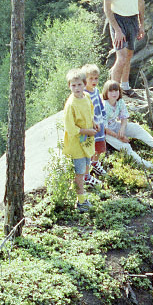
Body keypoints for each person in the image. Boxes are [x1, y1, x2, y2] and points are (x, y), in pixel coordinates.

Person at [101, 79, 153, 169]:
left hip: (115, 125)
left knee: (136, 128)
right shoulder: (104, 106)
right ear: (106, 92)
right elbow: (104, 129)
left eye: (116, 91)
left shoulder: (119, 102)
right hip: (105, 133)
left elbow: (124, 117)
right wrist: (120, 137)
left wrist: (122, 129)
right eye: (111, 91)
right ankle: (145, 165)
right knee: (126, 146)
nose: (114, 93)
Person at [104, 0, 145, 99]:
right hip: (118, 20)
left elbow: (141, 2)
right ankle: (112, 92)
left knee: (128, 55)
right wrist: (117, 30)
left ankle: (125, 86)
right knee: (120, 57)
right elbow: (107, 9)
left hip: (133, 19)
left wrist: (142, 24)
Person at [62, 68, 99, 212]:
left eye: (79, 85)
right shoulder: (70, 105)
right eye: (73, 85)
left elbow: (90, 111)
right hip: (77, 143)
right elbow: (71, 129)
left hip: (87, 141)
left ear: (84, 84)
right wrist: (87, 131)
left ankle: (75, 190)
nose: (76, 88)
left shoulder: (86, 97)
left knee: (84, 168)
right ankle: (81, 201)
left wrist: (93, 123)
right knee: (79, 171)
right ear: (69, 86)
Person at [82, 63, 107, 185]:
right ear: (85, 79)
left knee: (99, 147)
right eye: (90, 78)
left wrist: (104, 116)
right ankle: (87, 172)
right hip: (91, 126)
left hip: (100, 123)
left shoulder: (96, 91)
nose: (94, 81)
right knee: (90, 147)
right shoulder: (84, 94)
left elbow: (100, 105)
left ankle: (95, 163)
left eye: (96, 78)